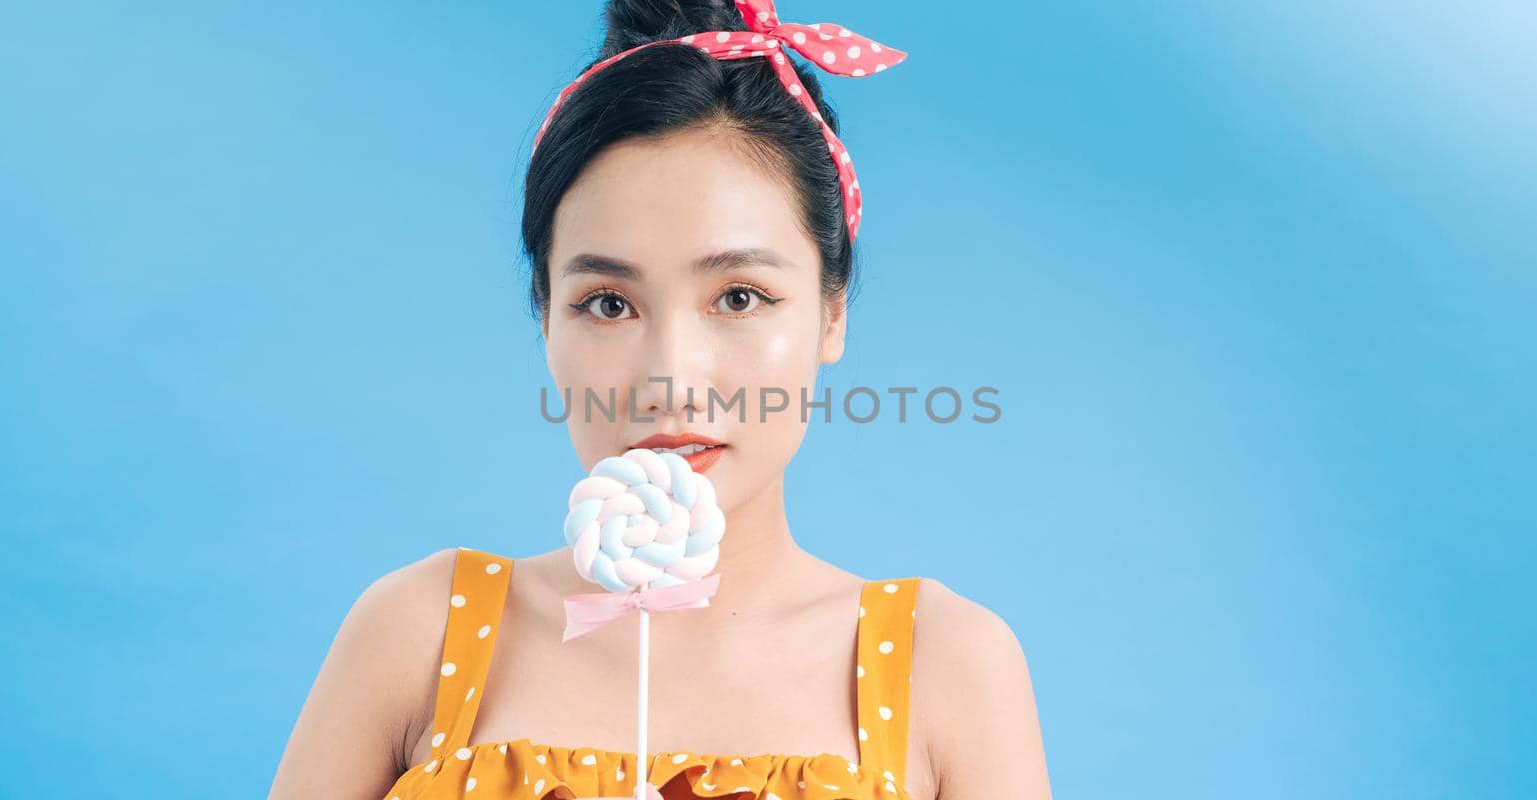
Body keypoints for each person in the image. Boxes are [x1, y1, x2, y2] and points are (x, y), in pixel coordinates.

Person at [269, 2, 1050, 798]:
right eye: (609, 303)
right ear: (545, 316)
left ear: (832, 312)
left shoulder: (945, 664)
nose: (670, 378)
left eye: (739, 297)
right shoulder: (417, 631)